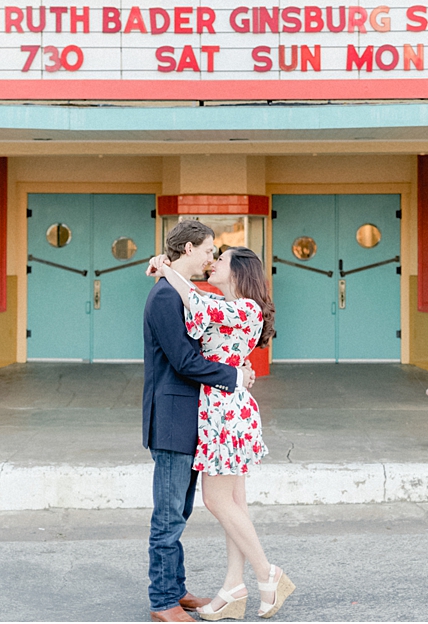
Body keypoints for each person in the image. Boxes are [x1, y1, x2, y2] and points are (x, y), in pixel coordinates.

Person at [149, 243, 295, 622]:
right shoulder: (221, 303)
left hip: (225, 411)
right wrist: (170, 272)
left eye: (221, 259)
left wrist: (167, 270)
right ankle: (233, 586)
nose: (213, 263)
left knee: (217, 502)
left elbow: (197, 306)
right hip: (220, 407)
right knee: (235, 504)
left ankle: (267, 573)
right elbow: (197, 310)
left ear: (239, 271)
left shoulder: (245, 308)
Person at [143, 219, 257, 623]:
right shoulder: (163, 298)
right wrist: (235, 376)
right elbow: (185, 361)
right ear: (189, 249)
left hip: (193, 419)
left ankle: (175, 588)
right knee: (169, 515)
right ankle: (162, 602)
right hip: (173, 419)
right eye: (209, 250)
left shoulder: (181, 292)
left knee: (181, 512)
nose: (212, 258)